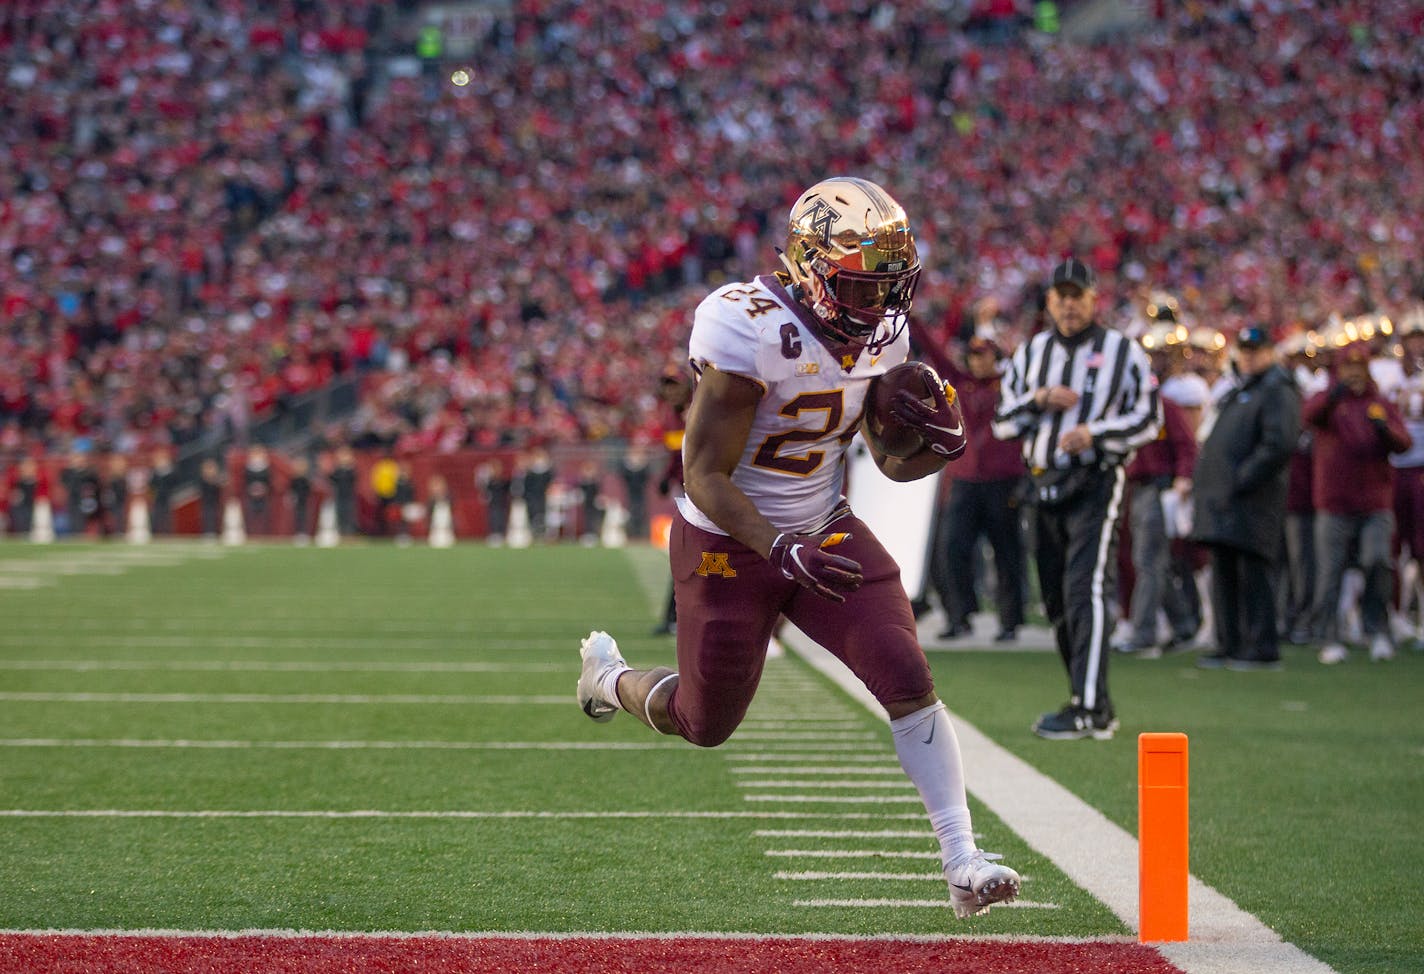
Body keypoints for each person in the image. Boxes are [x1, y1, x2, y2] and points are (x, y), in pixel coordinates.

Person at [575, 177, 1020, 918]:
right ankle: (609, 678)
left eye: (889, 285)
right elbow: (703, 474)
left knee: (906, 672)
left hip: (823, 523)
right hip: (730, 539)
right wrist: (778, 548)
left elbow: (889, 461)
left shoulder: (883, 333)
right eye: (863, 284)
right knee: (703, 722)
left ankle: (961, 859)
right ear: (813, 266)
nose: (880, 304)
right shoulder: (746, 324)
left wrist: (939, 447)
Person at [993, 258, 1161, 740]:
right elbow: (1003, 421)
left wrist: (1095, 433)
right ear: (1049, 301)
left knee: (1085, 588)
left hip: (1095, 481)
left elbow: (1149, 418)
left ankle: (1087, 707)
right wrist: (1038, 399)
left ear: (1094, 299)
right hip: (1041, 483)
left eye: (1077, 296)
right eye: (1060, 296)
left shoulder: (1122, 351)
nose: (1069, 305)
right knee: (1056, 599)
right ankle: (1092, 701)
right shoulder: (1032, 353)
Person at [1190, 327, 1301, 670]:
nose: (1249, 356)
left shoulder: (1276, 389)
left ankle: (1260, 646)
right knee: (1225, 571)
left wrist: (1241, 478)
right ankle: (1231, 643)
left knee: (1253, 571)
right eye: (1245, 350)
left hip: (1252, 499)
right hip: (1227, 498)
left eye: (1256, 350)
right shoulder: (1244, 388)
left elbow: (1278, 444)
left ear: (1270, 352)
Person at [914, 330, 1027, 642]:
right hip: (964, 480)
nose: (978, 361)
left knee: (1006, 551)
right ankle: (959, 616)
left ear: (995, 357)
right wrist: (912, 317)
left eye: (984, 355)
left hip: (1003, 480)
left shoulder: (1011, 385)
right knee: (952, 548)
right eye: (974, 355)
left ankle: (1009, 621)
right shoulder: (957, 382)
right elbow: (936, 354)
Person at [1304, 342, 1412, 664]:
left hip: (1374, 501)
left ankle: (1376, 630)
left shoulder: (1379, 404)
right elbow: (1309, 416)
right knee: (1330, 571)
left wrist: (1384, 431)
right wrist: (1334, 394)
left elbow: (1403, 442)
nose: (1353, 373)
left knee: (1378, 561)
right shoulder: (1328, 401)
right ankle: (1331, 636)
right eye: (1347, 367)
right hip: (1334, 501)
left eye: (1358, 367)